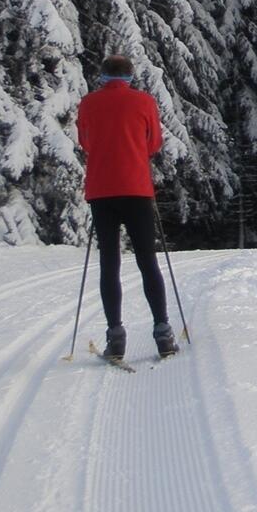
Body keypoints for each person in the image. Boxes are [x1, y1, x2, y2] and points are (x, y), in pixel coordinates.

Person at [75, 54, 176, 359]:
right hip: (137, 188)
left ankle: (115, 337)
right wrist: (132, 152)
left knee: (110, 263)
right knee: (148, 261)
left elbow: (86, 143)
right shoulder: (144, 102)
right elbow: (154, 143)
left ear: (103, 76)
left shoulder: (88, 103)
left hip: (102, 190)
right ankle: (163, 334)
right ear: (130, 76)